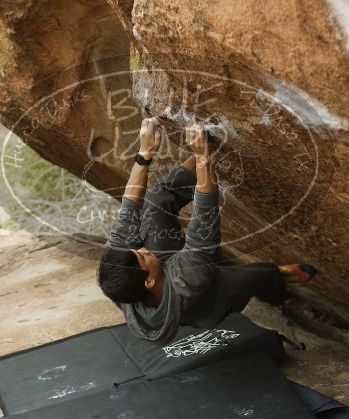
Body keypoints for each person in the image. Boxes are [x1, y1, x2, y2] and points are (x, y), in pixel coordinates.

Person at [97, 117, 316, 344]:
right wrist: (203, 157)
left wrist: (145, 153)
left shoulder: (119, 282)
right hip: (211, 294)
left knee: (156, 199)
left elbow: (130, 207)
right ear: (149, 281)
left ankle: (195, 159)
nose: (141, 248)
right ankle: (279, 287)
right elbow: (204, 219)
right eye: (141, 256)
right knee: (261, 274)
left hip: (172, 265)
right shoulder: (189, 284)